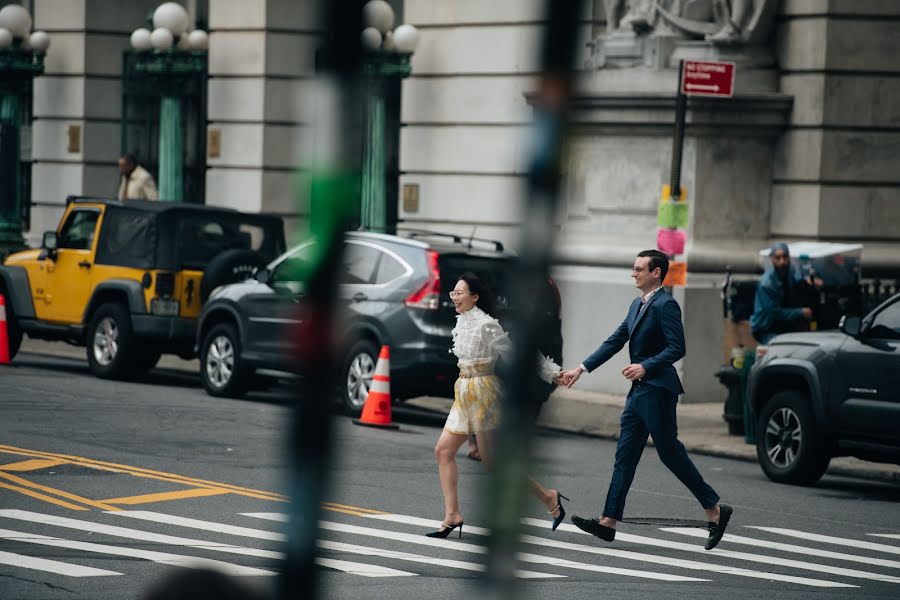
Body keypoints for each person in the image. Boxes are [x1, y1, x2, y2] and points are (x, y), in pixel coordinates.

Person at [558, 249, 732, 551]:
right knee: (624, 456)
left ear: (656, 273)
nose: (633, 273)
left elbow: (678, 348)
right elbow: (615, 340)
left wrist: (646, 365)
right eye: (633, 268)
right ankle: (608, 521)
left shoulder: (666, 305)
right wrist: (581, 368)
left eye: (639, 269)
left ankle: (714, 509)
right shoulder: (636, 305)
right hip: (639, 392)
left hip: (658, 389)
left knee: (669, 452)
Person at [427, 272, 568, 538]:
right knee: (443, 451)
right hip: (464, 390)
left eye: (460, 293)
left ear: (475, 297)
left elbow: (518, 355)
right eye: (453, 293)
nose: (454, 298)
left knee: (493, 464)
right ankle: (452, 514)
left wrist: (553, 374)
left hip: (483, 392)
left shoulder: (487, 325)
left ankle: (549, 497)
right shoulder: (462, 321)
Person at [750, 242, 816, 344]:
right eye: (778, 258)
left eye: (785, 257)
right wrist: (800, 312)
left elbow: (798, 278)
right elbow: (774, 313)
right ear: (772, 259)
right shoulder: (766, 283)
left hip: (785, 324)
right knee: (778, 348)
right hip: (766, 327)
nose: (782, 261)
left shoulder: (789, 271)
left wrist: (809, 280)